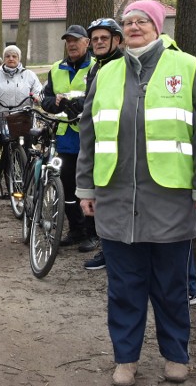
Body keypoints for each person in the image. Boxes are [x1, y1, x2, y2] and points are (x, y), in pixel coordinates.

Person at [76, 0, 196, 386]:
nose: (135, 26)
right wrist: (86, 187)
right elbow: (89, 134)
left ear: (158, 26)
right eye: (128, 21)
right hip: (116, 199)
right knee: (123, 289)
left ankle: (176, 355)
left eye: (142, 20)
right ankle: (125, 359)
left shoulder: (185, 66)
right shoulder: (106, 74)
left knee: (171, 287)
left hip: (170, 200)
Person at [72, 18, 125, 271]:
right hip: (98, 142)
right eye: (95, 39)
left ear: (117, 40)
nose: (99, 42)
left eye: (105, 38)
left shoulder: (122, 65)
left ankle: (112, 252)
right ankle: (107, 249)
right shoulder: (97, 67)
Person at [41, 25, 95, 251]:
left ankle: (92, 234)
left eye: (76, 40)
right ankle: (75, 229)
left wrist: (77, 104)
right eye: (68, 41)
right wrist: (53, 103)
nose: (71, 45)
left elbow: (97, 98)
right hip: (64, 138)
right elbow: (46, 100)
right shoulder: (56, 68)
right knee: (67, 187)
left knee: (89, 188)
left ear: (87, 43)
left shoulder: (96, 66)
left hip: (88, 137)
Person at [0, 45, 42, 138]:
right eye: (7, 56)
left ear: (19, 58)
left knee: (27, 150)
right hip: (4, 121)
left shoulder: (29, 75)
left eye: (14, 56)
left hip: (25, 120)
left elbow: (38, 91)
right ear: (4, 59)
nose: (11, 58)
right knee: (5, 150)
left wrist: (38, 97)